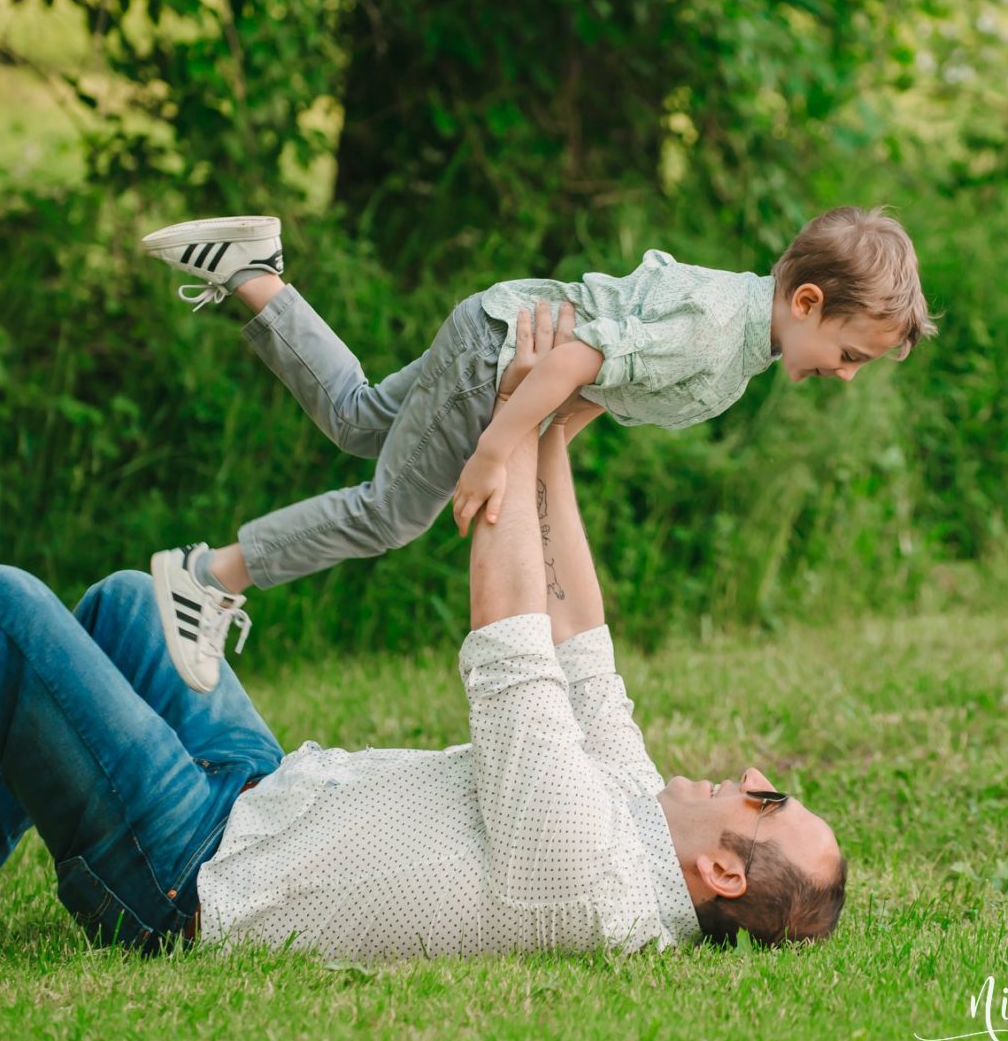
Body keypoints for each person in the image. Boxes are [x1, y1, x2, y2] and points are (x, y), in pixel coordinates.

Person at [0, 306, 848, 957]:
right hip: (264, 791)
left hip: (191, 874)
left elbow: (514, 637)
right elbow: (581, 635)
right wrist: (549, 429)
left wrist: (504, 433)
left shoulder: (589, 874)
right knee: (134, 606)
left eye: (767, 797)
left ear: (724, 868)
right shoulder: (641, 818)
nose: (751, 773)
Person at [139, 207, 933, 693]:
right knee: (391, 515)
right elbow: (576, 357)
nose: (846, 376)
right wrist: (493, 451)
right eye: (851, 355)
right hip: (497, 357)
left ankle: (250, 271)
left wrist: (540, 444)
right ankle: (206, 577)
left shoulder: (741, 338)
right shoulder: (715, 333)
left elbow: (596, 386)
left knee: (358, 419)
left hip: (495, 329)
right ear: (807, 302)